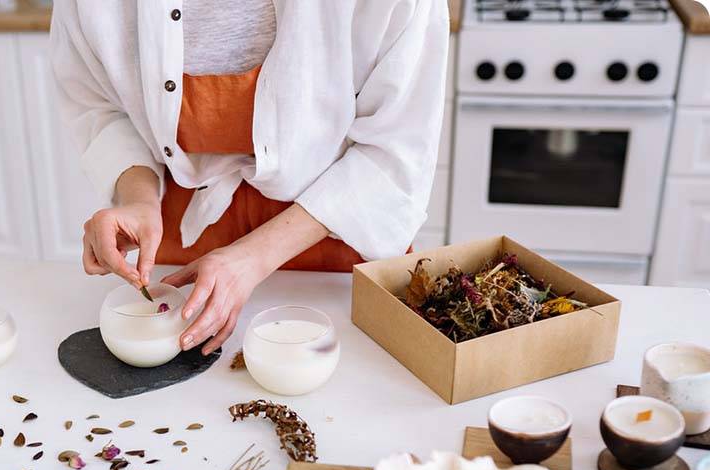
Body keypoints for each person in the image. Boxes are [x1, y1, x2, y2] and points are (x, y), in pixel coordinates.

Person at [51, 0, 449, 356]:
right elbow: (98, 102)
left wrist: (250, 259)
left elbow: (395, 152)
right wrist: (136, 196)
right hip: (180, 228)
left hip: (334, 231)